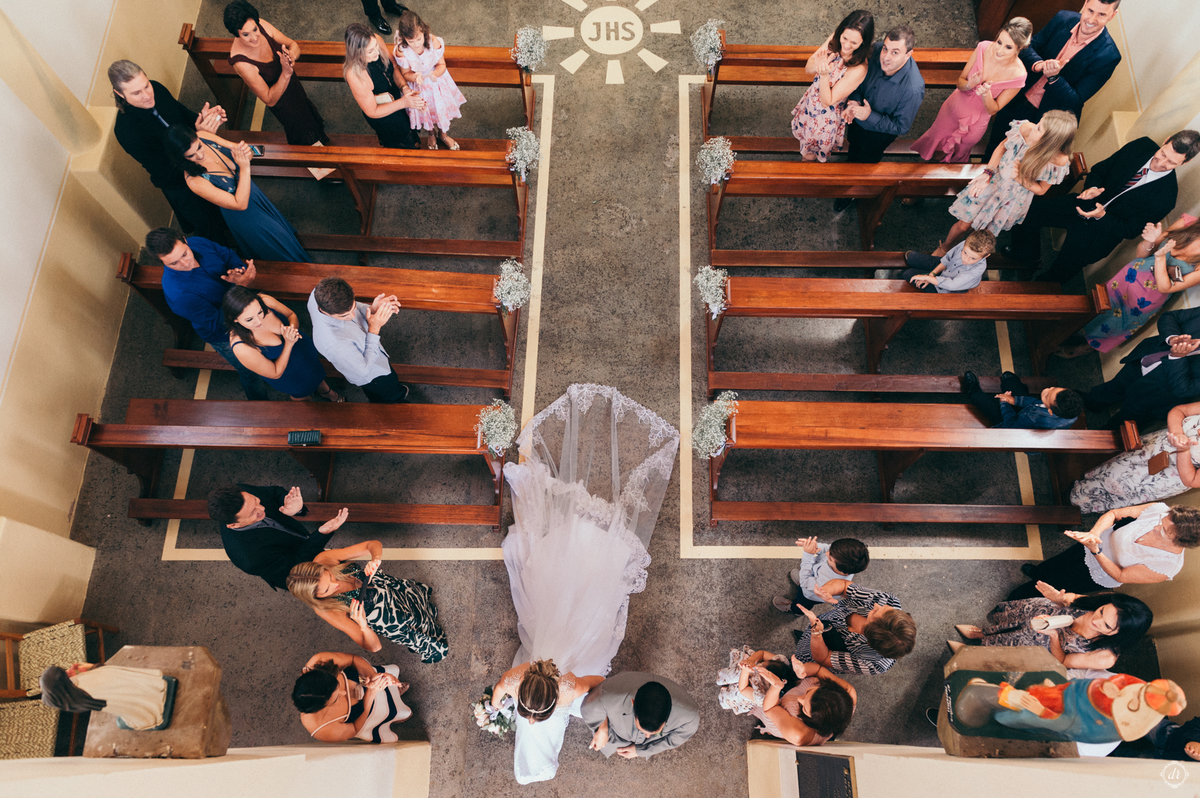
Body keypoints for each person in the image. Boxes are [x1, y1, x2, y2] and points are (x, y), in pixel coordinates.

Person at [497, 384, 680, 782]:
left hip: (567, 654)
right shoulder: (527, 679)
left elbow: (597, 682)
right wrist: (495, 706)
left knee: (570, 592)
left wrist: (494, 707)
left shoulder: (546, 683)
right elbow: (593, 681)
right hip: (565, 650)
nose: (528, 718)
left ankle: (540, 762)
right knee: (570, 591)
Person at [1008, 131, 1200, 284]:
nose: (1161, 163)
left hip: (1100, 234)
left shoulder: (1167, 197)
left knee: (1061, 271)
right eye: (1162, 154)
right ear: (1166, 140)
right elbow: (1100, 170)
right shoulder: (1142, 146)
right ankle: (1028, 257)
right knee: (1029, 215)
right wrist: (1091, 187)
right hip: (1083, 204)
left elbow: (1130, 230)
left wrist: (1102, 216)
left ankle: (1035, 293)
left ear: (1185, 162)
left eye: (1171, 163)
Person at [984, 1, 1123, 160]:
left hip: (1044, 119)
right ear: (1085, 4)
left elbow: (1076, 100)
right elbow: (1030, 46)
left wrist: (1054, 78)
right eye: (1090, 10)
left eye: (1101, 14)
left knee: (1016, 159)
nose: (1091, 19)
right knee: (994, 145)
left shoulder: (1109, 56)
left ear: (1112, 16)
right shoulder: (1063, 18)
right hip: (1019, 96)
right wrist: (1039, 64)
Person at [108, 60, 228, 241]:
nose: (147, 95)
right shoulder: (126, 131)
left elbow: (182, 114)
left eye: (146, 86)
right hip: (180, 181)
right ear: (120, 94)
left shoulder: (157, 89)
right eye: (136, 93)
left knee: (231, 205)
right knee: (212, 228)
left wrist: (203, 119)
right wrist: (201, 139)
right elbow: (164, 170)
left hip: (199, 155)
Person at [143, 227, 266, 400]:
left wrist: (239, 271)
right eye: (173, 263)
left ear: (185, 241)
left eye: (185, 254)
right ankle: (260, 402)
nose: (185, 263)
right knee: (249, 370)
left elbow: (228, 254)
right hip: (225, 335)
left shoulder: (198, 242)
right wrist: (240, 287)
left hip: (245, 304)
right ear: (162, 262)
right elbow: (219, 323)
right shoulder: (179, 295)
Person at [933, 112, 1076, 257]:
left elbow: (1041, 190)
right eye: (1039, 123)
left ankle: (962, 257)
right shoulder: (1025, 129)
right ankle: (945, 247)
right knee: (963, 225)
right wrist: (987, 172)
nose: (1034, 127)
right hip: (994, 182)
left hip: (1012, 198)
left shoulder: (1059, 160)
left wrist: (1021, 179)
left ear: (1050, 140)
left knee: (980, 234)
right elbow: (1002, 146)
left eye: (1039, 129)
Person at [287, 540, 448, 663]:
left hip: (383, 587)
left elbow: (373, 544)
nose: (336, 584)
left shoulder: (324, 559)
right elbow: (374, 647)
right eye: (328, 590)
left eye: (330, 576)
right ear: (317, 598)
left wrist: (375, 559)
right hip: (385, 617)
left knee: (412, 601)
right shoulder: (327, 610)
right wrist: (363, 625)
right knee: (413, 623)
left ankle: (425, 609)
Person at [166, 126, 311, 263]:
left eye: (198, 147)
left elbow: (240, 149)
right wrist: (244, 167)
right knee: (276, 240)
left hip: (253, 194)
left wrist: (246, 152)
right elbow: (239, 204)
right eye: (191, 155)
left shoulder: (203, 136)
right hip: (244, 214)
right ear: (182, 159)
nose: (200, 155)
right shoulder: (195, 181)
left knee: (280, 231)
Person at [1008, 502, 1200, 599]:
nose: (1157, 527)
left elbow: (1121, 575)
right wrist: (1094, 534)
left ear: (1181, 541)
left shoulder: (1168, 565)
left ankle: (1017, 597)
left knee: (1057, 583)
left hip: (1097, 573)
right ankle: (1038, 572)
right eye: (1162, 522)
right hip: (1094, 543)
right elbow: (1115, 514)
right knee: (1057, 563)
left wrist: (1096, 551)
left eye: (1164, 531)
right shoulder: (1160, 510)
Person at [1070, 218, 1200, 354]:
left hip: (1146, 298)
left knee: (1116, 324)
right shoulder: (1188, 222)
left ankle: (1084, 348)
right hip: (1128, 276)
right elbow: (1141, 254)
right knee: (1096, 305)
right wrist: (1149, 241)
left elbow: (1165, 288)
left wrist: (1160, 258)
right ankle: (1067, 331)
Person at [951, 589, 1153, 675]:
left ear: (1120, 634)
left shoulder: (1104, 657)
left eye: (1106, 626)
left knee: (1011, 647)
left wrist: (1055, 636)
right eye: (1101, 612)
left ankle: (972, 655)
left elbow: (1063, 662)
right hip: (1041, 615)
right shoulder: (1101, 603)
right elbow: (1072, 599)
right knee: (1010, 627)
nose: (1095, 620)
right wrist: (1057, 597)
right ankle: (981, 633)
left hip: (1044, 644)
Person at [911, 18, 1030, 163]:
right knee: (937, 142)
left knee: (958, 152)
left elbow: (994, 110)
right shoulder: (983, 48)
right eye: (999, 42)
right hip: (952, 110)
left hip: (975, 124)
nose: (999, 50)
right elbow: (960, 82)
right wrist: (969, 85)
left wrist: (986, 94)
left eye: (1008, 47)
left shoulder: (1019, 75)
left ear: (1019, 48)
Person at [953, 673, 1184, 746]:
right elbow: (1091, 684)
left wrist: (1040, 712)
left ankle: (990, 701)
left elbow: (1066, 725)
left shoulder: (1113, 724)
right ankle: (994, 695)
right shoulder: (1133, 684)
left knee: (1009, 717)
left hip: (1057, 714)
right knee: (1032, 694)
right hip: (1066, 695)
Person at [224, 1, 329, 146]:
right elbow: (269, 99)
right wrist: (286, 73)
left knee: (305, 108)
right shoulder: (242, 63)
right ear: (236, 34)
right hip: (282, 102)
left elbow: (294, 45)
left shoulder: (261, 24)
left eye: (255, 29)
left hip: (292, 83)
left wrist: (292, 56)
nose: (254, 37)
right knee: (299, 126)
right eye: (246, 34)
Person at [207, 484, 347, 590]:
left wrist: (291, 505)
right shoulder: (249, 558)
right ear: (233, 525)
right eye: (253, 513)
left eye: (256, 501)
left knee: (344, 572)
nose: (262, 509)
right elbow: (296, 564)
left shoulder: (241, 492)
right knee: (334, 590)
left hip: (301, 543)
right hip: (298, 574)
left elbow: (273, 492)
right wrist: (322, 533)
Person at [1071, 400, 1200, 513]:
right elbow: (1179, 410)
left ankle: (1075, 503)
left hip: (1162, 473)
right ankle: (1081, 479)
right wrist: (1177, 432)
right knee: (1110, 466)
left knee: (1115, 487)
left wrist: (1183, 451)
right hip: (1151, 446)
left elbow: (1192, 480)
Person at [1082, 305, 1200, 428]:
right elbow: (1170, 316)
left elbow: (1184, 389)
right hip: (1146, 358)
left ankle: (1100, 438)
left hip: (1160, 391)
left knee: (1126, 420)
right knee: (1116, 385)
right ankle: (1089, 402)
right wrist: (1172, 338)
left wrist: (1178, 357)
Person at [490, 660, 605, 784]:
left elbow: (602, 683)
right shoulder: (510, 681)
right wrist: (496, 705)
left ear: (555, 703)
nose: (531, 722)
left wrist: (604, 727)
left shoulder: (570, 689)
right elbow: (498, 690)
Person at [715, 648, 856, 747]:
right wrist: (804, 671)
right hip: (774, 693)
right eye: (808, 692)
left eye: (804, 708)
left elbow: (770, 708)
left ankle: (727, 695)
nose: (799, 698)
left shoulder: (799, 733)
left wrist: (776, 687)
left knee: (738, 695)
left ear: (812, 721)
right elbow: (819, 670)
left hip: (774, 710)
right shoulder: (847, 693)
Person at [222, 286, 342, 402]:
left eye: (260, 312)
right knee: (302, 394)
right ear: (234, 319)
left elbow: (291, 315)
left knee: (317, 372)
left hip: (303, 349)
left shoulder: (265, 300)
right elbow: (275, 373)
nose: (259, 321)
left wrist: (291, 330)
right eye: (249, 319)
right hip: (289, 374)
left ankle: (326, 392)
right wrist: (289, 343)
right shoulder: (241, 346)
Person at [789, 10, 873, 162]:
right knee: (805, 147)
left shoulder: (859, 68)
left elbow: (827, 101)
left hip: (824, 118)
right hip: (811, 103)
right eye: (845, 38)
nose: (846, 45)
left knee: (809, 156)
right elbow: (808, 67)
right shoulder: (837, 38)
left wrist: (824, 74)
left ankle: (807, 181)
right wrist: (819, 65)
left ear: (863, 42)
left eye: (854, 43)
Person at [309, 278, 410, 402]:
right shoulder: (332, 343)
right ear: (323, 311)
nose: (352, 315)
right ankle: (397, 398)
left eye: (353, 308)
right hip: (373, 375)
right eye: (344, 316)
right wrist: (374, 329)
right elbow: (364, 370)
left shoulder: (320, 293)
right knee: (388, 392)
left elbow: (352, 308)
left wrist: (372, 309)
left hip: (375, 356)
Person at [840, 26, 924, 165]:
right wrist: (854, 101)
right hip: (855, 119)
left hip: (877, 135)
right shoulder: (875, 50)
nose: (885, 57)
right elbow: (856, 79)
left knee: (865, 161)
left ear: (908, 55)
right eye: (886, 48)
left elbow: (901, 127)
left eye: (895, 52)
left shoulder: (912, 89)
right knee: (853, 144)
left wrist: (869, 116)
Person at [791, 582, 916, 675]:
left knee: (797, 662)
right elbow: (845, 586)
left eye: (875, 612)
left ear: (869, 633)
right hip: (823, 625)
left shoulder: (874, 664)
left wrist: (817, 634)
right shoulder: (889, 601)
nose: (877, 605)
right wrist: (826, 590)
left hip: (818, 650)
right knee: (806, 638)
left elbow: (823, 658)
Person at [292, 651, 412, 742]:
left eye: (337, 684)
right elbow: (355, 728)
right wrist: (370, 694)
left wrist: (375, 677)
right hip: (366, 713)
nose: (344, 693)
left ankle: (393, 692)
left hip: (364, 677)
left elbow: (352, 659)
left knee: (388, 685)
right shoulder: (320, 729)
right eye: (335, 699)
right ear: (321, 708)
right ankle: (393, 714)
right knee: (396, 712)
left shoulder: (319, 661)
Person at [581, 672, 700, 760]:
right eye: (641, 729)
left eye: (654, 732)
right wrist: (602, 727)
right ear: (633, 703)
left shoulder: (689, 717)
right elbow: (588, 707)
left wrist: (641, 750)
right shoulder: (609, 694)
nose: (647, 737)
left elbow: (675, 739)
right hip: (616, 734)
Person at [344, 23, 426, 149]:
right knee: (400, 141)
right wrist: (403, 103)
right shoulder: (355, 75)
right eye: (370, 51)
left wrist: (404, 87)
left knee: (410, 129)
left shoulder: (375, 39)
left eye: (376, 46)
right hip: (384, 115)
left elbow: (394, 67)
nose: (377, 52)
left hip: (398, 97)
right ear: (356, 53)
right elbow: (372, 111)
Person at [394, 11, 467, 151]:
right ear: (404, 38)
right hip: (419, 86)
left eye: (419, 39)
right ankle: (431, 133)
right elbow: (405, 73)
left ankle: (443, 135)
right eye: (411, 41)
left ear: (423, 31)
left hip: (437, 82)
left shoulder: (434, 42)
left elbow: (442, 65)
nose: (416, 45)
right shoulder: (401, 50)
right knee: (425, 112)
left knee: (440, 110)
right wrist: (415, 77)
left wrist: (435, 74)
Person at [773, 536, 870, 614]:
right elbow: (827, 547)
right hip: (811, 581)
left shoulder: (826, 584)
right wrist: (814, 546)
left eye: (830, 558)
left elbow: (805, 581)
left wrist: (808, 554)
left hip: (810, 595)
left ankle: (795, 610)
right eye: (831, 550)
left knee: (802, 602)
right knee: (805, 582)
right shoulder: (841, 557)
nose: (827, 553)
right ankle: (803, 583)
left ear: (844, 573)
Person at [962, 370, 1083, 429]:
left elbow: (1010, 426)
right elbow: (1037, 404)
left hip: (1014, 424)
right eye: (1053, 388)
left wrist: (1005, 404)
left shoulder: (1034, 420)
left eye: (1047, 396)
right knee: (1010, 383)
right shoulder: (1069, 412)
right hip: (1027, 412)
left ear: (1050, 411)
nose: (1046, 390)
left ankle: (973, 390)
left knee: (979, 399)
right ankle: (1013, 384)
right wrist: (1014, 400)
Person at [898, 229, 995, 294]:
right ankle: (920, 268)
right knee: (912, 257)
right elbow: (947, 258)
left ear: (986, 256)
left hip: (946, 287)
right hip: (947, 267)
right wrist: (931, 274)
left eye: (973, 258)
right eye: (964, 253)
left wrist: (927, 278)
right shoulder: (965, 244)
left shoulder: (978, 269)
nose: (965, 259)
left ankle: (916, 272)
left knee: (908, 274)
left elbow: (952, 284)